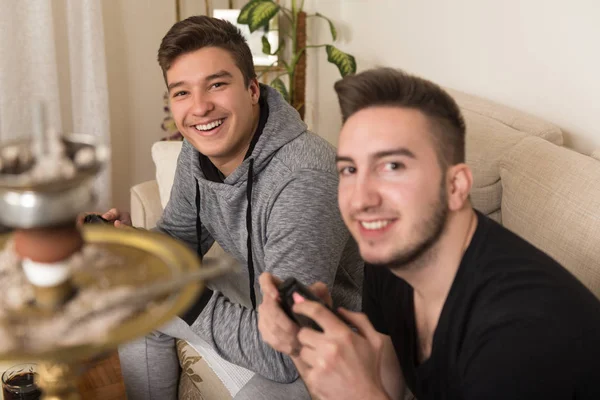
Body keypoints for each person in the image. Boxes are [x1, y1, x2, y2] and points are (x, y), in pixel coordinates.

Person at [258, 67, 600, 400]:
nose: (360, 199)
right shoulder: (390, 254)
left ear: (455, 185)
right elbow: (389, 382)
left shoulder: (519, 338)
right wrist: (304, 343)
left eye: (392, 166)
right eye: (349, 169)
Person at [105, 15, 363, 400]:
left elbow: (286, 353)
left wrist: (181, 297)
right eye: (182, 93)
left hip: (344, 334)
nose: (200, 108)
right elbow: (179, 240)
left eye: (217, 85)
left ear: (253, 89)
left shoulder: (304, 177)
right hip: (266, 292)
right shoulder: (197, 150)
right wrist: (135, 245)